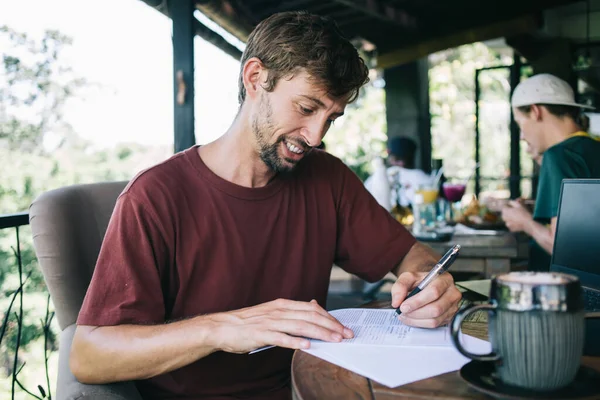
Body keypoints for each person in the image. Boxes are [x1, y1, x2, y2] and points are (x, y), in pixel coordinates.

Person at [69, 11, 461, 400]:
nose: (315, 136)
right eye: (307, 108)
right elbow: (89, 356)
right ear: (256, 78)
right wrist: (221, 328)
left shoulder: (328, 178)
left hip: (305, 388)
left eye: (331, 118)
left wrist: (430, 281)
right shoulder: (155, 196)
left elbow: (411, 257)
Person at [502, 73, 600, 272]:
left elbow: (568, 249)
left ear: (536, 111)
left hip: (570, 292)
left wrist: (525, 222)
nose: (522, 136)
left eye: (520, 123)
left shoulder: (558, 156)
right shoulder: (593, 147)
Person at [365, 136, 432, 208]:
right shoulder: (377, 178)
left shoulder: (419, 176)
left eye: (404, 159)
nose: (401, 164)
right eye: (397, 159)